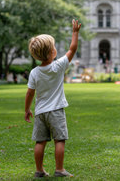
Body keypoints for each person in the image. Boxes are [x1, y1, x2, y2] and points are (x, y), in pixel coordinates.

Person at [24, 19, 81, 178]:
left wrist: (27, 109)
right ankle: (59, 169)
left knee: (40, 142)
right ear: (52, 53)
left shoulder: (34, 72)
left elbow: (30, 93)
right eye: (54, 47)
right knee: (59, 140)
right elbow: (73, 48)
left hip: (40, 112)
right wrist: (75, 33)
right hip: (56, 111)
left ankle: (39, 170)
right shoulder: (58, 66)